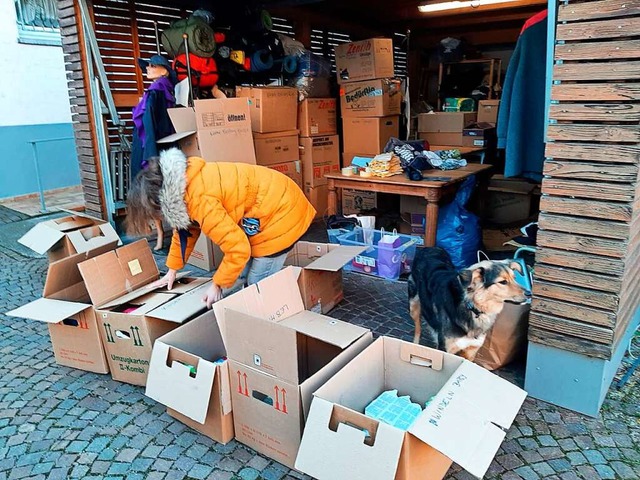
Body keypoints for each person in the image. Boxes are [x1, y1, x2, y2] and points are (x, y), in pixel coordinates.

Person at [126, 147, 316, 308]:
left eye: (152, 216)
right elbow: (186, 230)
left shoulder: (200, 200)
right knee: (240, 273)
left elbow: (238, 248)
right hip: (270, 202)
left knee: (257, 283)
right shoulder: (181, 185)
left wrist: (217, 285)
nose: (156, 221)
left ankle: (271, 318)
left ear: (159, 202)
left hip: (284, 211)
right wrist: (172, 270)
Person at [131, 54, 177, 250]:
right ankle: (166, 234)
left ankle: (164, 234)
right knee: (165, 192)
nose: (147, 69)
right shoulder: (165, 91)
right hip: (164, 146)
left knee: (154, 192)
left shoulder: (155, 92)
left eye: (152, 66)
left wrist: (150, 155)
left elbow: (149, 125)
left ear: (164, 70)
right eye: (147, 66)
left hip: (151, 148)